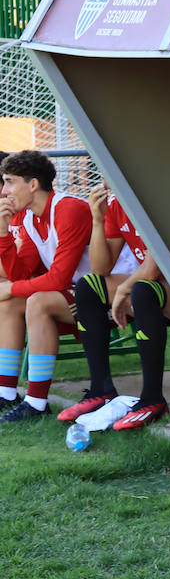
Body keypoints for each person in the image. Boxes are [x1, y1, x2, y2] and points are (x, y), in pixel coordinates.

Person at [60, 186, 170, 430]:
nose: (105, 182)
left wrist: (123, 290)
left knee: (142, 288)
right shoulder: (118, 204)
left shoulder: (153, 196)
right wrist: (98, 219)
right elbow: (100, 269)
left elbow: (154, 266)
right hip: (158, 288)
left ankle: (153, 399)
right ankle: (101, 390)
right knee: (89, 286)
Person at [0, 151, 94, 423]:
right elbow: (21, 274)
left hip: (107, 295)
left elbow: (58, 279)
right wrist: (4, 234)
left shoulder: (68, 209)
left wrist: (9, 289)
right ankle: (6, 392)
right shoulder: (30, 218)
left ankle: (36, 402)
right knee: (9, 303)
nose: (4, 191)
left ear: (33, 185)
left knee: (36, 301)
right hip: (75, 293)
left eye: (9, 182)